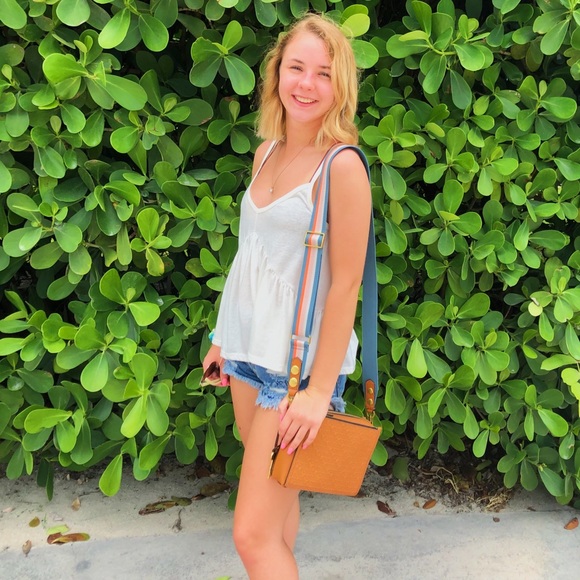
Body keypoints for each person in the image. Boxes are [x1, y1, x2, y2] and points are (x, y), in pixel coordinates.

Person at [202, 12, 371, 579]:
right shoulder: (267, 152)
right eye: (296, 67)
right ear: (277, 72)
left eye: (323, 73)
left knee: (251, 536)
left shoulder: (341, 168)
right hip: (248, 355)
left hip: (293, 374)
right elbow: (250, 256)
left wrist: (319, 392)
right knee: (276, 512)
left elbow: (345, 285)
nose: (306, 84)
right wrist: (222, 339)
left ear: (340, 85)